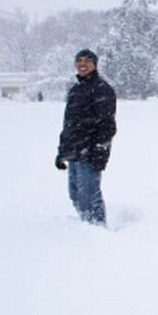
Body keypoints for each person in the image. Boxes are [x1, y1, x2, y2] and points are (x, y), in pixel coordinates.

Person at [55, 49, 117, 226]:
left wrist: (100, 150)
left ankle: (96, 230)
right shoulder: (75, 90)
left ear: (94, 64)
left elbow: (107, 125)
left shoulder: (102, 89)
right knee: (75, 194)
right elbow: (68, 124)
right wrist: (61, 152)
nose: (82, 64)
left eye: (87, 61)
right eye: (79, 60)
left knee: (89, 196)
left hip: (90, 152)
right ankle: (85, 226)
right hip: (74, 152)